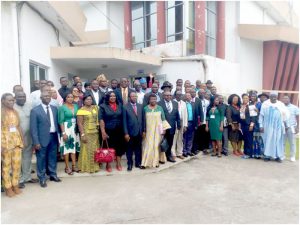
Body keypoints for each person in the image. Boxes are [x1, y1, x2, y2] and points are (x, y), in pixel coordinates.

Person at [30, 91, 61, 188]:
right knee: (41, 159)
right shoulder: (35, 110)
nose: (47, 97)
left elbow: (58, 124)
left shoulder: (55, 109)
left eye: (49, 96)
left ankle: (52, 174)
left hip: (54, 137)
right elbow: (33, 128)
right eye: (45, 96)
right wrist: (36, 142)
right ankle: (42, 178)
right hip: (41, 139)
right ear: (41, 97)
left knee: (52, 157)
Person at [14, 92, 38, 189]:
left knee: (27, 157)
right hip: (16, 137)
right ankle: (18, 179)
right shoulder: (13, 107)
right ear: (15, 97)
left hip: (28, 136)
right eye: (19, 96)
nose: (22, 98)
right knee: (17, 159)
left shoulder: (30, 105)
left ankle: (27, 177)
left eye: (23, 96)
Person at [1, 93, 24, 197]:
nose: (12, 102)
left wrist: (22, 140)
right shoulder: (1, 112)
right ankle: (8, 187)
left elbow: (18, 126)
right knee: (6, 167)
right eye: (9, 100)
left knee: (16, 165)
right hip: (5, 143)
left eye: (12, 100)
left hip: (16, 142)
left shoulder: (15, 112)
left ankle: (15, 185)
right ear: (3, 101)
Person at [141, 94, 171, 169]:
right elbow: (143, 121)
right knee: (148, 146)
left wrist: (164, 129)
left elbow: (163, 119)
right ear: (149, 100)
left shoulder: (160, 108)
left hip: (158, 130)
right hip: (148, 131)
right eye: (152, 99)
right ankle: (145, 163)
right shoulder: (145, 109)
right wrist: (143, 131)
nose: (153, 100)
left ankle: (156, 162)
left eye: (155, 99)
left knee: (156, 146)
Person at [259, 92, 290, 162]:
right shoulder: (265, 104)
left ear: (277, 97)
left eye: (275, 96)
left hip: (278, 126)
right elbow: (261, 116)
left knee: (278, 141)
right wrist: (261, 125)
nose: (273, 98)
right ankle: (267, 156)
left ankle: (278, 156)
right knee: (267, 140)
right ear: (269, 97)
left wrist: (286, 125)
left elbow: (285, 116)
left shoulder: (281, 104)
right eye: (272, 96)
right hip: (267, 126)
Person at [99, 91, 125, 172]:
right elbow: (101, 119)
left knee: (119, 147)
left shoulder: (120, 105)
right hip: (108, 130)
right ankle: (108, 164)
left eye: (114, 96)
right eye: (111, 96)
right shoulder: (103, 106)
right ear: (107, 97)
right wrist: (103, 132)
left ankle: (118, 163)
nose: (113, 97)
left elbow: (123, 117)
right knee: (108, 147)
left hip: (119, 130)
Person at [76, 94, 100, 173]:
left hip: (95, 132)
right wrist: (82, 134)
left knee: (95, 149)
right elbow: (80, 123)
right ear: (84, 101)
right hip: (86, 133)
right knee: (86, 150)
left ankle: (95, 166)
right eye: (87, 99)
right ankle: (86, 167)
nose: (89, 101)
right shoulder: (81, 110)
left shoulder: (95, 108)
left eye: (90, 99)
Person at [58, 93, 80, 175]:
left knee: (73, 148)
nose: (70, 98)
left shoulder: (76, 106)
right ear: (65, 98)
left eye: (71, 97)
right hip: (66, 129)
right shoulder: (62, 107)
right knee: (67, 149)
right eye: (68, 97)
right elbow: (60, 121)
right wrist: (63, 133)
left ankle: (74, 166)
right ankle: (67, 167)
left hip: (74, 129)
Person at [123, 92, 144, 171]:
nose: (134, 98)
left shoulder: (140, 106)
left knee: (138, 149)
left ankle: (138, 163)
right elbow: (124, 121)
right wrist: (126, 133)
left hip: (139, 132)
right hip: (130, 133)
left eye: (135, 96)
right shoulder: (125, 107)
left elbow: (143, 119)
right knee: (129, 150)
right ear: (129, 97)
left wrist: (143, 130)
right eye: (132, 96)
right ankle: (130, 164)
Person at [158, 91, 181, 163]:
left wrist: (179, 124)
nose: (168, 97)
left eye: (170, 95)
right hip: (162, 127)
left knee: (170, 142)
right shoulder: (159, 103)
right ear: (163, 96)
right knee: (161, 142)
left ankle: (168, 156)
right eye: (166, 95)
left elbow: (177, 115)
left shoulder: (175, 103)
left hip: (172, 127)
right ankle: (161, 157)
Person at [171, 91, 187, 159]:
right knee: (174, 138)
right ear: (175, 95)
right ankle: (173, 153)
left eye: (180, 95)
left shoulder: (183, 103)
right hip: (175, 122)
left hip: (182, 121)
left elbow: (186, 114)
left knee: (180, 138)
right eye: (178, 94)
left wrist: (185, 125)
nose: (179, 96)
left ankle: (179, 153)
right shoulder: (172, 102)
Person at [282, 95, 299, 162]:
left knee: (292, 143)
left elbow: (298, 117)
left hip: (291, 127)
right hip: (283, 127)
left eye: (286, 98)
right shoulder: (281, 107)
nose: (285, 99)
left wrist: (298, 127)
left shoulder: (294, 107)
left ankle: (292, 156)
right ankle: (283, 155)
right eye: (284, 98)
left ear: (289, 99)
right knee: (282, 142)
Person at [240, 94, 255, 159]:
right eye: (244, 98)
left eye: (246, 98)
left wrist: (251, 125)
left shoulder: (251, 106)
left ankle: (249, 153)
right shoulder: (242, 106)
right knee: (245, 139)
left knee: (249, 140)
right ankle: (245, 152)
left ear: (249, 99)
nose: (245, 99)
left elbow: (254, 117)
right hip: (243, 125)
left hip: (249, 125)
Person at [249, 92, 264, 159]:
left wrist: (258, 111)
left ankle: (259, 154)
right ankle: (254, 153)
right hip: (250, 122)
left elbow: (262, 114)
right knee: (253, 140)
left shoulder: (260, 104)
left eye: (254, 96)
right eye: (252, 96)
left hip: (257, 123)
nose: (253, 97)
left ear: (256, 97)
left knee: (258, 140)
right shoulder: (249, 104)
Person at [183, 93, 197, 157]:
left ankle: (189, 151)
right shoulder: (183, 104)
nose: (188, 97)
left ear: (191, 97)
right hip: (185, 122)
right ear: (185, 97)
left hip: (192, 123)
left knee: (191, 137)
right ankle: (184, 151)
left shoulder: (193, 104)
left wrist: (196, 124)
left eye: (189, 96)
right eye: (186, 96)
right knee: (184, 137)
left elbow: (196, 115)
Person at [190, 89, 204, 154]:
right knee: (190, 136)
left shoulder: (198, 100)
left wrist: (201, 120)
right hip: (189, 121)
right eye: (191, 92)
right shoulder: (188, 99)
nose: (193, 93)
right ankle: (189, 149)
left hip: (196, 121)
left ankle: (194, 150)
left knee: (196, 135)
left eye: (194, 92)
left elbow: (201, 110)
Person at [198, 89, 210, 154]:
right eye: (200, 93)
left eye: (203, 93)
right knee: (199, 135)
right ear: (198, 94)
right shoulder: (197, 100)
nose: (202, 94)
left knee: (205, 135)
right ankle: (200, 148)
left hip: (206, 120)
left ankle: (205, 148)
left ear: (205, 93)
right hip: (199, 121)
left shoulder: (207, 101)